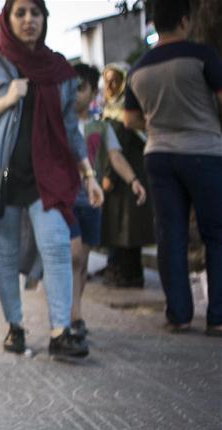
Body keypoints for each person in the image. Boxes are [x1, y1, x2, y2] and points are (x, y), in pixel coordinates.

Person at [0, 0, 102, 358]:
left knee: (58, 245)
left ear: (44, 19)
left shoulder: (58, 70)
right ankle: (14, 326)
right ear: (8, 19)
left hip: (47, 178)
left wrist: (88, 175)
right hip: (0, 180)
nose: (29, 20)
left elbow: (70, 130)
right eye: (21, 13)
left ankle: (60, 331)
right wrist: (6, 99)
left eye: (36, 12)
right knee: (5, 256)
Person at [124, 0, 222, 337]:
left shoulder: (138, 69)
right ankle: (218, 316)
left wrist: (157, 121)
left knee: (170, 235)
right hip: (204, 151)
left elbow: (129, 118)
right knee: (216, 234)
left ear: (154, 24)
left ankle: (179, 314)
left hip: (159, 155)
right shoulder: (202, 55)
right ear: (184, 20)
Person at [70, 63, 147, 339]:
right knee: (74, 256)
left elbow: (116, 156)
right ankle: (69, 314)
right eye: (70, 87)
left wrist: (133, 180)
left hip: (91, 201)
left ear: (92, 92)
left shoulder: (100, 126)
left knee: (82, 260)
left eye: (81, 88)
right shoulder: (58, 124)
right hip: (63, 202)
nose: (74, 94)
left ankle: (75, 312)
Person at [99, 63, 155, 288]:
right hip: (127, 176)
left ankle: (125, 273)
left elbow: (117, 146)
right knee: (124, 227)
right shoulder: (110, 108)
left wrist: (110, 175)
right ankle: (123, 270)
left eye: (115, 81)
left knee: (124, 228)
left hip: (126, 177)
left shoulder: (126, 112)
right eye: (107, 81)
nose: (111, 86)